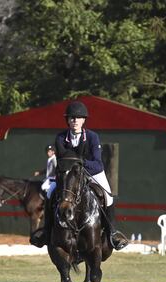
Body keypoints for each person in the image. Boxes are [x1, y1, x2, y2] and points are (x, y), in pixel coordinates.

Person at [30, 101, 129, 250]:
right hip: (70, 175)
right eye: (71, 118)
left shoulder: (92, 137)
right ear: (68, 120)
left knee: (109, 197)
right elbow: (62, 161)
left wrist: (80, 163)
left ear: (83, 120)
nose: (75, 120)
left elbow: (98, 164)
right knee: (50, 193)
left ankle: (112, 233)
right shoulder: (60, 138)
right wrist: (74, 166)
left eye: (78, 118)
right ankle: (46, 231)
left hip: (92, 172)